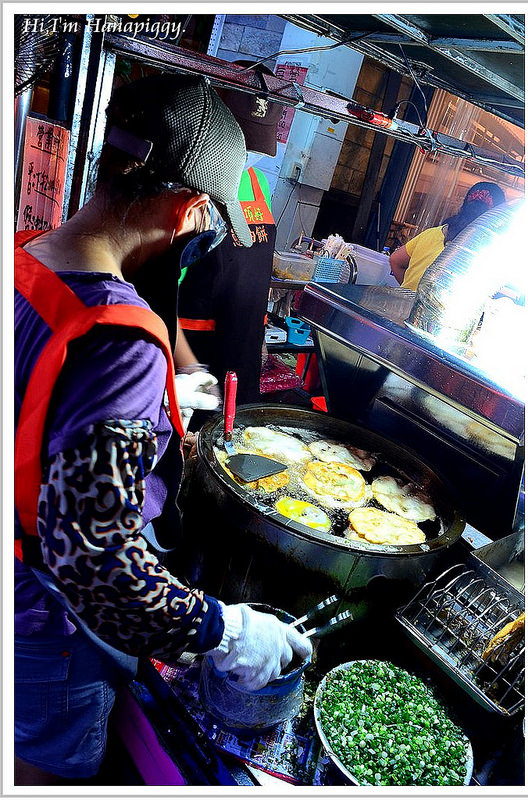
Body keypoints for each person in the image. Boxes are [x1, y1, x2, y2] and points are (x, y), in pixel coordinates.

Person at [14, 73, 311, 785]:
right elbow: (94, 558)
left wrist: (149, 402)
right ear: (186, 206)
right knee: (45, 773)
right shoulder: (117, 338)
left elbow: (36, 395)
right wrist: (223, 630)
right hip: (54, 624)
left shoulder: (26, 257)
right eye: (207, 217)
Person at [176, 61, 282, 409]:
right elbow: (156, 293)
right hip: (196, 356)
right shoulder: (189, 187)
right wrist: (189, 368)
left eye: (255, 147)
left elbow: (253, 272)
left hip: (244, 348)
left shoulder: (258, 182)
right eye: (240, 141)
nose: (248, 155)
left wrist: (261, 335)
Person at [390, 182, 506, 290]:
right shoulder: (483, 249)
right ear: (496, 216)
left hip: (401, 307)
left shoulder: (431, 233)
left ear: (464, 204)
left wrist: (410, 292)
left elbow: (395, 260)